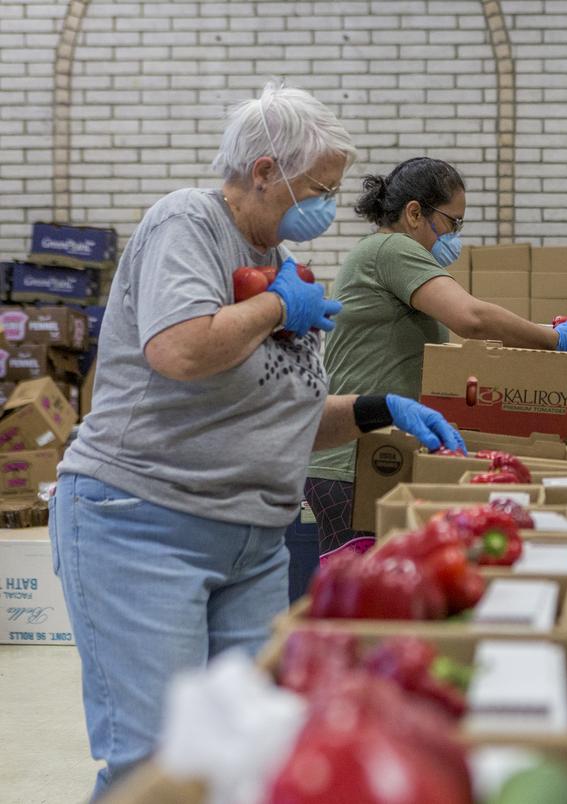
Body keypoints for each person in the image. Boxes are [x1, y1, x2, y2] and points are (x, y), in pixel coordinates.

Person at [50, 81, 466, 797]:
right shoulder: (189, 223)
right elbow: (179, 350)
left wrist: (376, 408)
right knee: (160, 765)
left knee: (248, 751)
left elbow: (284, 414)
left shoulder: (281, 266)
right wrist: (278, 304)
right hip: (146, 527)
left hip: (252, 541)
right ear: (266, 171)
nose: (328, 208)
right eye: (319, 189)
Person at [303, 157, 567, 568]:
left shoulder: (381, 254)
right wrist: (550, 339)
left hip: (368, 457)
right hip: (354, 464)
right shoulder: (392, 247)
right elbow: (471, 318)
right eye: (452, 222)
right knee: (371, 595)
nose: (455, 236)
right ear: (414, 212)